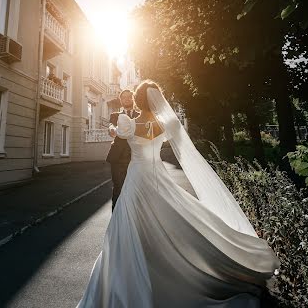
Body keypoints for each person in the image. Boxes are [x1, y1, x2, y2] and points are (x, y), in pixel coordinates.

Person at [77, 80, 279, 308]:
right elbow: (182, 147)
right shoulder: (166, 125)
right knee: (180, 219)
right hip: (159, 178)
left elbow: (116, 133)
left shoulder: (128, 124)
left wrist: (112, 129)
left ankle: (134, 275)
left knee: (128, 228)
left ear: (136, 100)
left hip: (136, 181)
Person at [105, 89, 140, 211]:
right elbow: (111, 127)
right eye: (124, 97)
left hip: (136, 157)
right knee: (118, 188)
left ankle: (133, 218)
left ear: (133, 98)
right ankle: (116, 219)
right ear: (121, 100)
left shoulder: (139, 115)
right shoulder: (115, 115)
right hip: (118, 158)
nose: (127, 99)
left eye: (129, 96)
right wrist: (112, 130)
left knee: (136, 188)